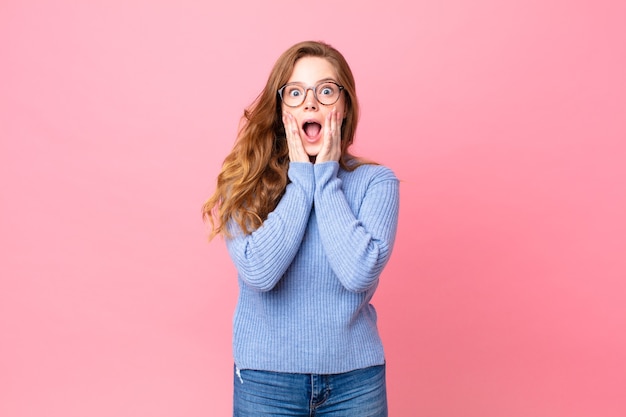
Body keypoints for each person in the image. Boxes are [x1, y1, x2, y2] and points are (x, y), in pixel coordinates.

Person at [202, 40, 400, 416]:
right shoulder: (242, 183)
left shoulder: (377, 183)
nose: (311, 103)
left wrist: (323, 178)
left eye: (326, 90)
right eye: (295, 92)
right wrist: (302, 181)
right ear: (280, 109)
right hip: (266, 382)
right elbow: (261, 273)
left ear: (344, 107)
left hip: (355, 382)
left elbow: (357, 273)